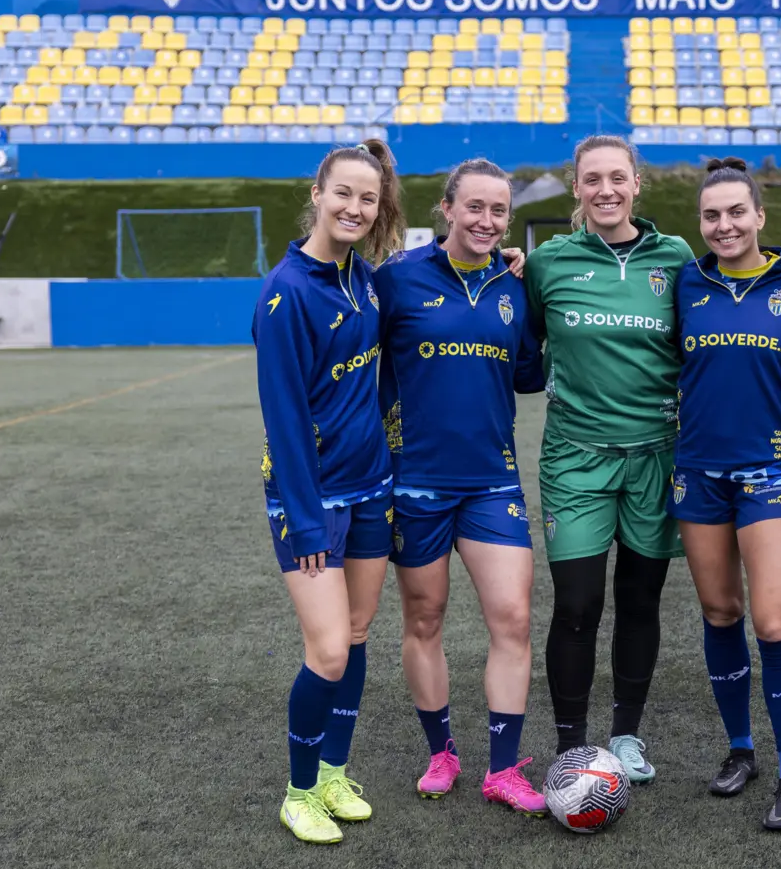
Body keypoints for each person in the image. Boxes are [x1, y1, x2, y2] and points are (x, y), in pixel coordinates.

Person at [371, 159, 548, 815]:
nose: (486, 221)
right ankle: (441, 751)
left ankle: (504, 768)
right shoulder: (398, 280)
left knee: (513, 618)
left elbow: (528, 376)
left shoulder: (513, 285)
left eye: (498, 211)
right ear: (446, 209)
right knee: (424, 617)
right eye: (474, 207)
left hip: (491, 480)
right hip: (415, 482)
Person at [523, 135, 695, 782]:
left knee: (640, 599)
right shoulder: (549, 263)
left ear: (636, 184)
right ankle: (573, 745)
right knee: (576, 604)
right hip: (575, 458)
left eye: (617, 178)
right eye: (592, 179)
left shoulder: (674, 257)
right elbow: (528, 341)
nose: (605, 190)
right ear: (576, 188)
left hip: (655, 457)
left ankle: (626, 737)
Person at [252, 140, 404, 845]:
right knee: (328, 653)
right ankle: (298, 790)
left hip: (372, 489)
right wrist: (307, 525)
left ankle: (336, 775)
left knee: (358, 634)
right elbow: (283, 422)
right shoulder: (286, 292)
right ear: (317, 193)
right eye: (342, 193)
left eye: (367, 198)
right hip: (309, 503)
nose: (353, 207)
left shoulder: (363, 278)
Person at [668, 157, 781, 830]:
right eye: (711, 216)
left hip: (770, 472)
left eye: (736, 212)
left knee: (775, 621)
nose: (723, 225)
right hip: (697, 471)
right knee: (720, 612)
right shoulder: (684, 283)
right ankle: (740, 750)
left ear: (760, 215)